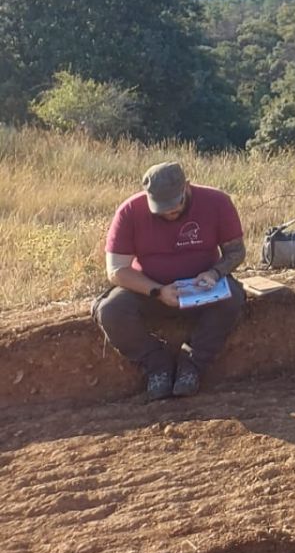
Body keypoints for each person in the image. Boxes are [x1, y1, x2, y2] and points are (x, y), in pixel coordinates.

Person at [94, 161, 247, 401]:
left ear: (187, 186)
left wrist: (214, 273)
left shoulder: (217, 202)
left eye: (174, 206)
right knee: (111, 310)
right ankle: (157, 365)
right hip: (150, 290)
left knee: (233, 298)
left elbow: (236, 251)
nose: (168, 213)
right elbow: (116, 270)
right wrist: (158, 291)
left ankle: (193, 364)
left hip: (202, 288)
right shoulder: (129, 211)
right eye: (160, 208)